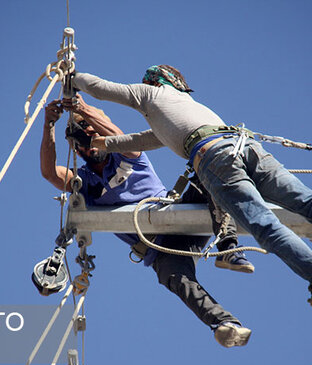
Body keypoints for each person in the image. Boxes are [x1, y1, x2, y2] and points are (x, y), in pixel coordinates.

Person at [69, 65, 312, 329]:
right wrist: (103, 143)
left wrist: (70, 80)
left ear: (153, 81)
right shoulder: (180, 108)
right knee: (309, 203)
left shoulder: (149, 94)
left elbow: (100, 88)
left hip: (213, 157)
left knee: (265, 227)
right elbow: (139, 141)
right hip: (243, 145)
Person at [40, 93, 253, 347]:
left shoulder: (127, 154)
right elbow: (50, 174)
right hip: (158, 249)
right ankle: (225, 325)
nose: (88, 143)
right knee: (178, 279)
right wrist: (49, 126)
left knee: (208, 169)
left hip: (180, 217)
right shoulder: (85, 182)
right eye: (80, 140)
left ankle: (228, 249)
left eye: (90, 133)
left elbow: (119, 137)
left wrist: (83, 111)